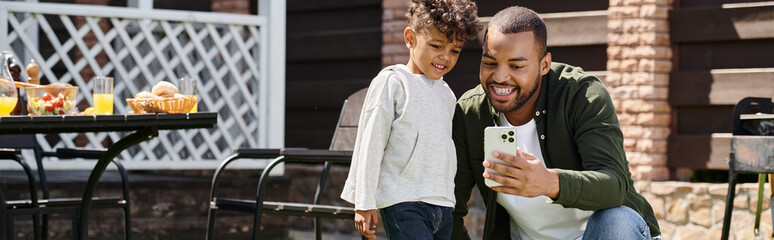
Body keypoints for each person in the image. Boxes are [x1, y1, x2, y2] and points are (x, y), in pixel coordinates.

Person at [451, 6, 661, 240]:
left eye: (516, 66)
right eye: (490, 63)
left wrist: (550, 183)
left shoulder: (581, 95)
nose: (500, 77)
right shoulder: (470, 112)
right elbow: (450, 208)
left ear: (544, 64)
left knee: (616, 221)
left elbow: (615, 185)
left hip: (603, 234)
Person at [340, 0, 481, 239]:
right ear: (410, 38)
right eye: (437, 46)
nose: (445, 57)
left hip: (442, 203)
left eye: (454, 50)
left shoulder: (447, 94)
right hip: (404, 202)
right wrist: (363, 201)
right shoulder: (393, 83)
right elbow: (370, 144)